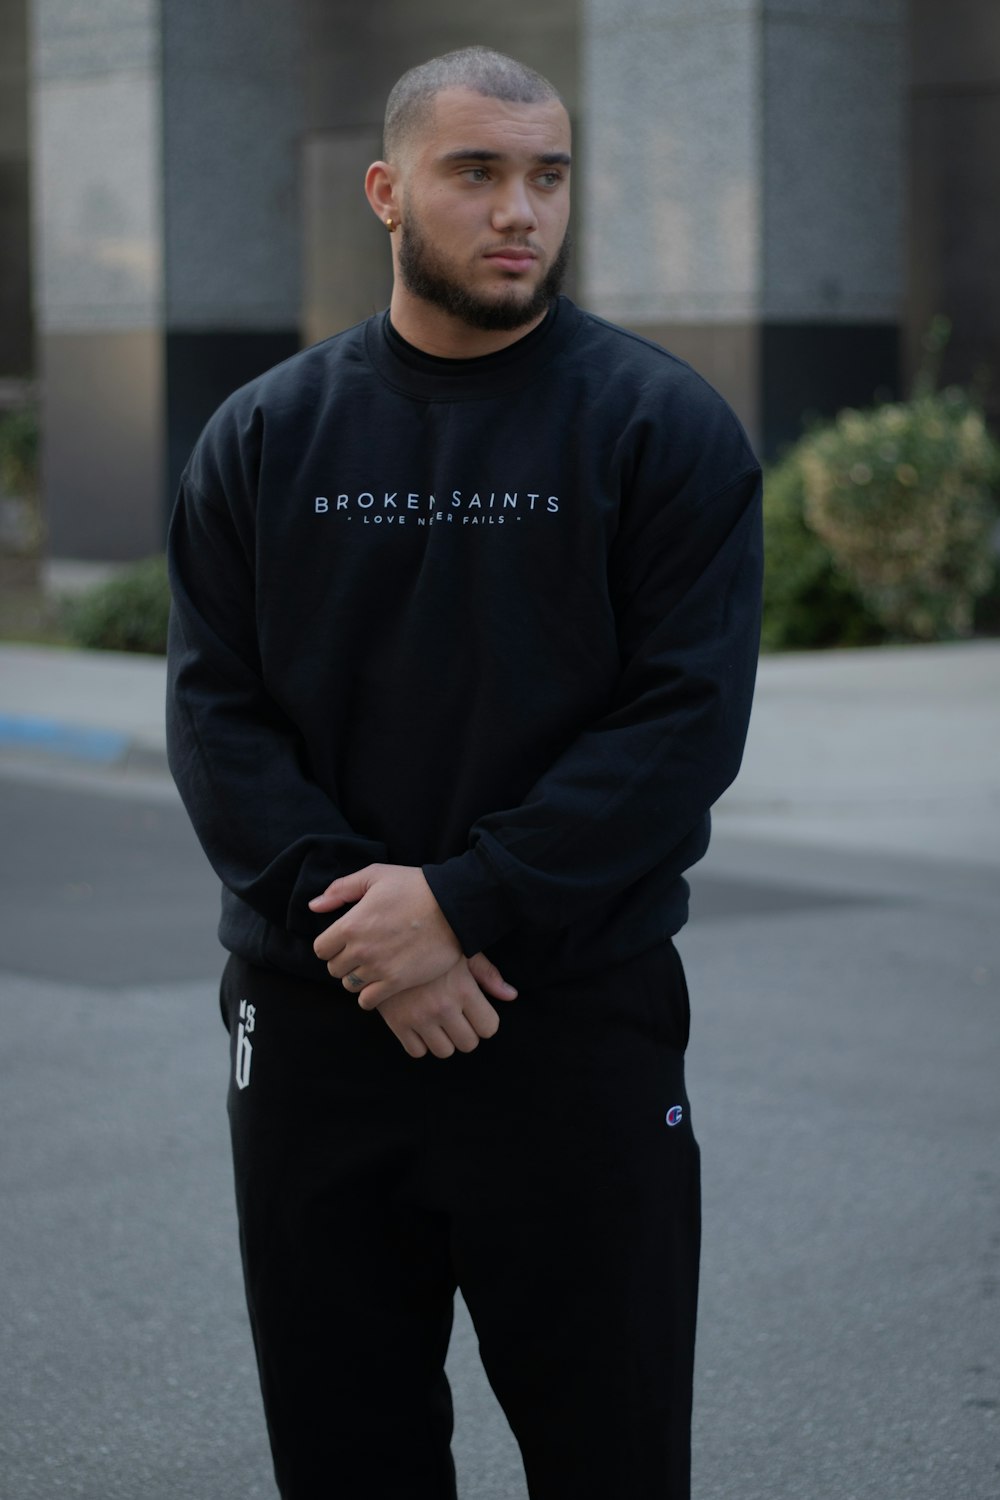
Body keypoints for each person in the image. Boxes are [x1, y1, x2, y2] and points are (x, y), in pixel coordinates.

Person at [166, 44, 762, 1500]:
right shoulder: (265, 436)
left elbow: (680, 731)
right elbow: (218, 718)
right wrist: (372, 933)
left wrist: (467, 905)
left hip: (569, 1025)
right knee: (346, 1452)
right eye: (476, 171)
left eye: (547, 176)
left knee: (610, 1451)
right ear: (386, 191)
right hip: (321, 1029)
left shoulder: (659, 427)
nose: (520, 210)